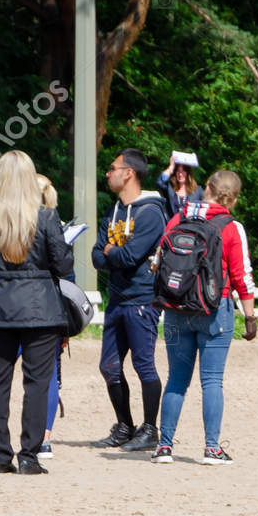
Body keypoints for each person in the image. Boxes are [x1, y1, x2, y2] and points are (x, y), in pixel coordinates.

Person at [0, 150, 74, 473]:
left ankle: (0, 456)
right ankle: (29, 456)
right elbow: (64, 264)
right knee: (37, 383)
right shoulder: (45, 217)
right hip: (39, 308)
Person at [152, 169, 258, 465]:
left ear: (207, 188)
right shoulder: (231, 227)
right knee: (211, 381)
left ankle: (164, 447)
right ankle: (212, 448)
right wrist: (250, 316)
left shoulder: (180, 217)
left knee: (176, 380)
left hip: (176, 308)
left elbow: (160, 259)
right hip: (215, 309)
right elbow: (241, 275)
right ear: (234, 198)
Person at [91, 148, 168, 450]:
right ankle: (125, 425)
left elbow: (131, 255)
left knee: (143, 365)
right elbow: (97, 255)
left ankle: (150, 430)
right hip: (117, 300)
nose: (108, 173)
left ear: (129, 173)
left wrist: (113, 252)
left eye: (113, 168)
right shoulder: (114, 210)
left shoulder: (150, 212)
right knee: (109, 366)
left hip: (142, 300)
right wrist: (112, 254)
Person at [159, 150, 205, 217]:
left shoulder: (198, 190)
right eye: (178, 171)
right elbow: (160, 182)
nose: (180, 174)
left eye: (183, 171)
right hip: (172, 226)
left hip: (190, 226)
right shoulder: (170, 189)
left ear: (188, 173)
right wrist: (171, 167)